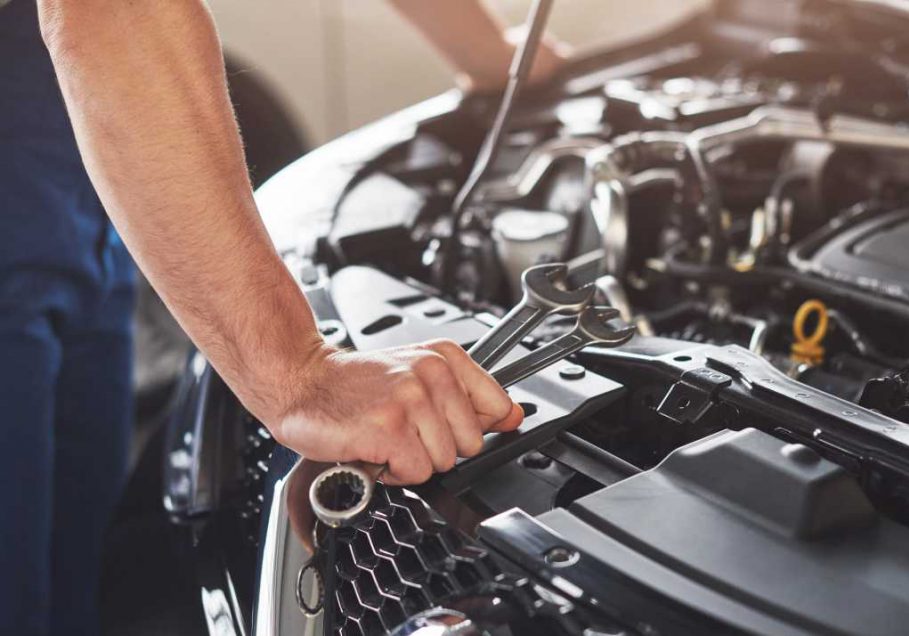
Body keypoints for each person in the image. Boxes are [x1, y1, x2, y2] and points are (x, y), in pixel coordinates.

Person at [0, 1, 564, 633]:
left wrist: (493, 60)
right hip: (71, 66)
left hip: (59, 95)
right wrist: (299, 376)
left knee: (72, 560)